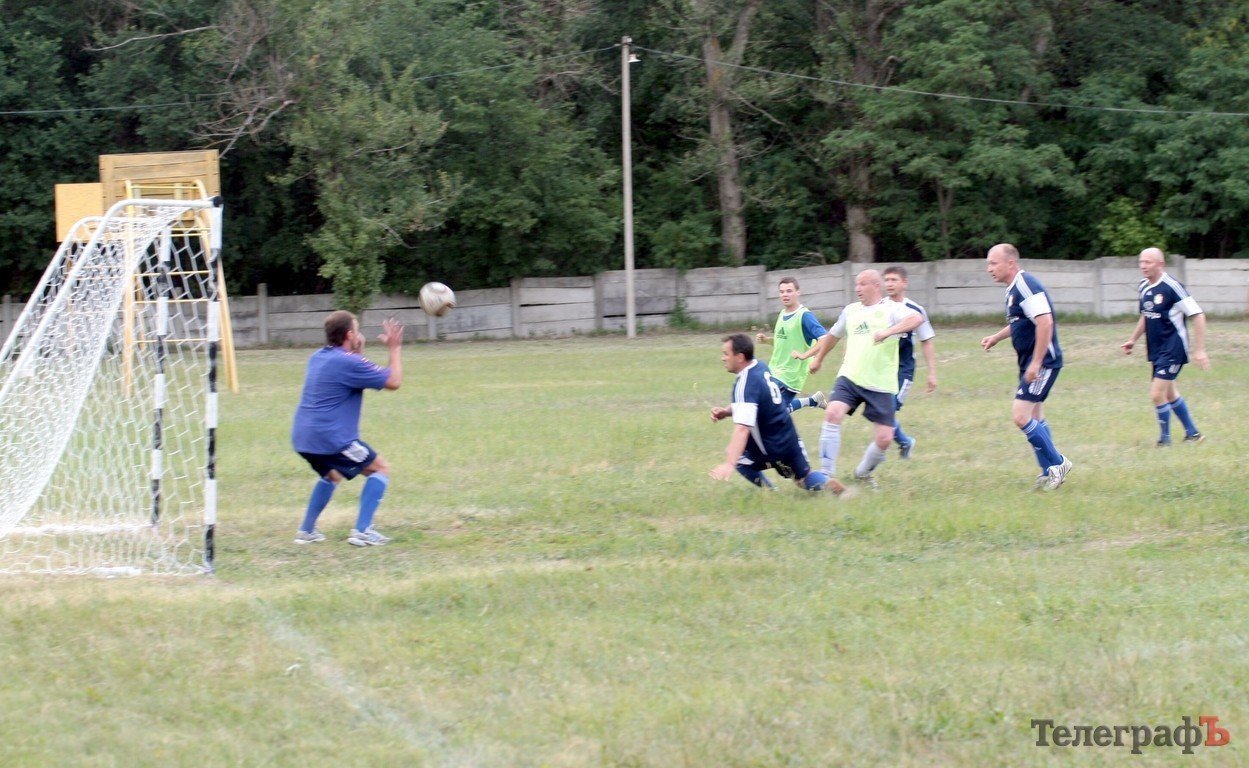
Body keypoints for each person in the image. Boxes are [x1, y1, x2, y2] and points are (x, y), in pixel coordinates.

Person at [799, 269, 924, 488]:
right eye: (856, 284)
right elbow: (833, 336)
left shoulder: (892, 309)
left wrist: (888, 332)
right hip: (851, 376)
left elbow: (917, 318)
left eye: (863, 284)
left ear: (876, 286)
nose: (857, 288)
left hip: (881, 383)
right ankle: (826, 476)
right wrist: (819, 359)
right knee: (832, 413)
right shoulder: (851, 311)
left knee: (885, 438)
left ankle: (862, 473)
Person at [291, 310, 404, 546]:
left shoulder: (318, 357)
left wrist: (358, 353)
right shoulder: (349, 362)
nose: (360, 334)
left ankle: (306, 531)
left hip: (303, 438)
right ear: (350, 334)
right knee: (379, 469)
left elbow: (352, 372)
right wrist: (394, 348)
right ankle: (362, 531)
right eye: (357, 329)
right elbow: (393, 381)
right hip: (332, 439)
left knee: (332, 474)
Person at [980, 243, 1072, 490]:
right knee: (1034, 417)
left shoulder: (1025, 285)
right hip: (1031, 362)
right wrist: (996, 337)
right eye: (988, 263)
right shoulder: (1012, 289)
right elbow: (1023, 323)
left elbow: (1045, 322)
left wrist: (1037, 362)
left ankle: (1058, 463)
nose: (989, 268)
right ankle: (1048, 473)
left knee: (1020, 416)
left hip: (1044, 361)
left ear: (1010, 263)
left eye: (993, 263)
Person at [709, 333, 845, 495]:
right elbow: (751, 402)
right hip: (789, 435)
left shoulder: (744, 384)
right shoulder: (760, 366)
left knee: (737, 457)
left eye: (726, 354)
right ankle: (828, 483)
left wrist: (729, 464)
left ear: (739, 357)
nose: (723, 358)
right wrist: (726, 411)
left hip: (771, 446)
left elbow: (742, 429)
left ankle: (772, 492)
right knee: (803, 478)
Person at [1120, 247, 1209, 445]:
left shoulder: (1172, 287)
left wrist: (1200, 349)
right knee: (1169, 393)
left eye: (1148, 262)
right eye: (1141, 262)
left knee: (1156, 394)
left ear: (1160, 264)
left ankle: (1164, 440)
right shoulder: (1144, 286)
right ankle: (1193, 434)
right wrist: (1132, 340)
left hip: (1174, 348)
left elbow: (1198, 315)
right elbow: (1146, 314)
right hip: (1156, 349)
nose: (1143, 266)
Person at [882, 266, 937, 458]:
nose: (889, 284)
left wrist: (931, 373)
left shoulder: (915, 310)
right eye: (886, 280)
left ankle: (902, 443)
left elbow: (926, 341)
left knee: (887, 411)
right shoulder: (878, 307)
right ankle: (905, 442)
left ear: (904, 283)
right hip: (881, 368)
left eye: (893, 280)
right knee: (882, 412)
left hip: (903, 370)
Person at [754, 277, 829, 413]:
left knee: (770, 412)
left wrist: (804, 355)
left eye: (789, 291)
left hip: (790, 376)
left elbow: (825, 339)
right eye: (782, 292)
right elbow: (783, 341)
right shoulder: (783, 313)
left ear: (798, 292)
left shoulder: (804, 316)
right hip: (774, 370)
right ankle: (813, 401)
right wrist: (766, 340)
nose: (785, 294)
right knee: (774, 410)